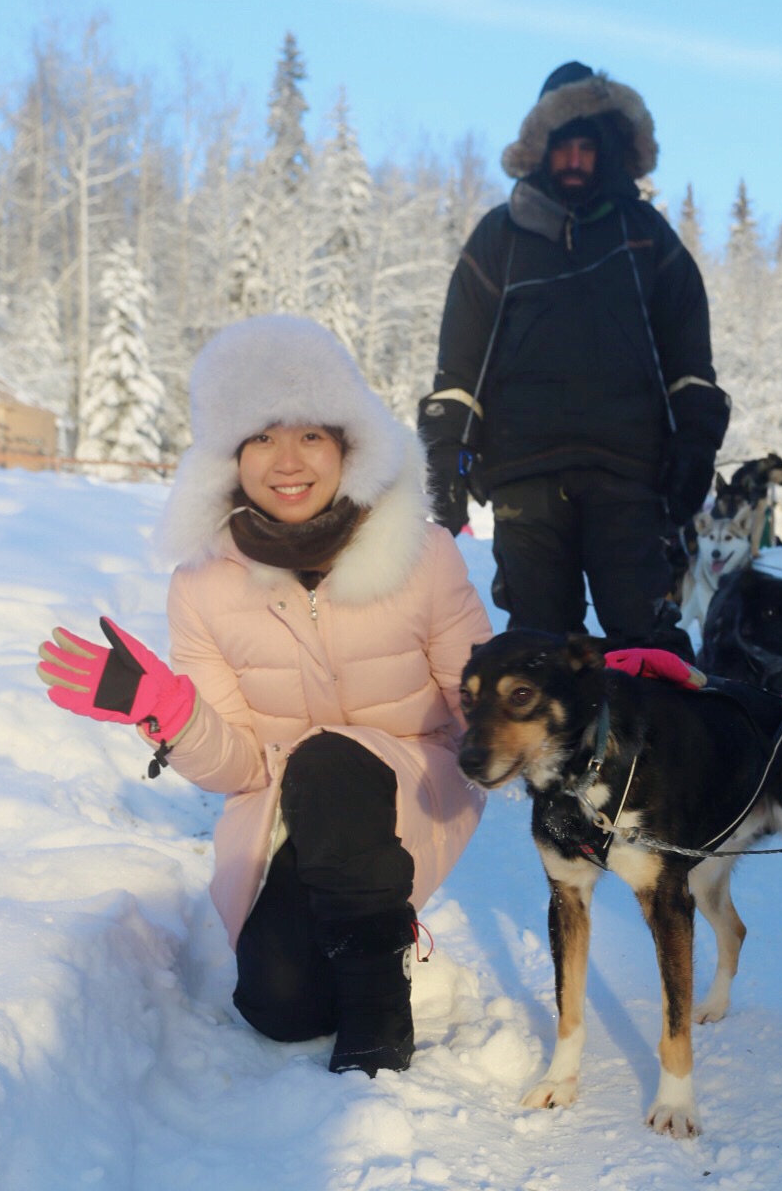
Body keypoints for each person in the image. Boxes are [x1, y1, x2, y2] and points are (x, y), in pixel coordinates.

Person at [36, 316, 491, 1078]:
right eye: (260, 439)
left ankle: (381, 1018)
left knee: (331, 762)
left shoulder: (424, 553)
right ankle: (354, 938)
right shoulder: (203, 586)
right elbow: (244, 769)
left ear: (347, 445)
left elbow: (480, 706)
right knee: (280, 1008)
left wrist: (564, 691)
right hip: (286, 803)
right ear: (229, 460)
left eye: (310, 435)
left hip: (416, 780)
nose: (288, 462)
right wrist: (168, 712)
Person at [418, 60, 730, 647]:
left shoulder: (646, 235)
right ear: (540, 149)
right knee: (539, 647)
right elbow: (460, 365)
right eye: (564, 148)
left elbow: (690, 359)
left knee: (643, 640)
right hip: (522, 474)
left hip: (629, 473)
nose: (577, 162)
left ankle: (651, 741)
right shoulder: (499, 238)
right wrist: (446, 452)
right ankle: (555, 744)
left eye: (590, 149)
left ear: (610, 151)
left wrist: (695, 444)